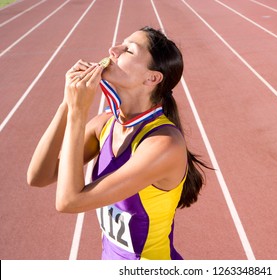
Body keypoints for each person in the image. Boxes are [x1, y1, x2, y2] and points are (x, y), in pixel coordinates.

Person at [27, 26, 209, 260]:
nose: (113, 50)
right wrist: (67, 104)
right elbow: (38, 176)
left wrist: (77, 113)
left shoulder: (164, 144)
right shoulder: (105, 124)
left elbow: (69, 202)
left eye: (129, 50)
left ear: (152, 78)